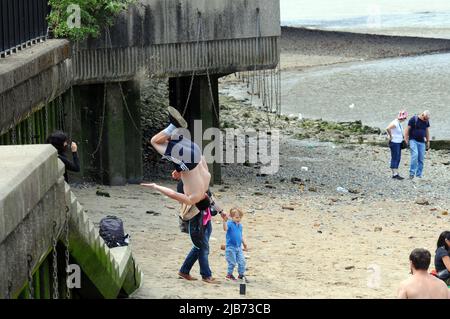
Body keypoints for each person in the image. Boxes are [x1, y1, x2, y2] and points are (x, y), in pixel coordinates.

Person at [141, 106, 211, 206]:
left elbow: (201, 159)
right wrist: (155, 186)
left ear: (206, 196)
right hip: (188, 161)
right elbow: (172, 194)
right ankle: (174, 125)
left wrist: (180, 169)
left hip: (196, 150)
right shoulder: (193, 199)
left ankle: (175, 128)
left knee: (165, 140)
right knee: (154, 142)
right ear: (197, 204)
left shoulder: (208, 179)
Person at [222, 208, 248, 281]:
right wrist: (224, 221)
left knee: (242, 261)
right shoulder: (230, 223)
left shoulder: (240, 226)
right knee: (232, 262)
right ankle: (229, 275)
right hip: (230, 247)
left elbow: (240, 235)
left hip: (238, 247)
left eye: (240, 217)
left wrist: (244, 243)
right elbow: (225, 229)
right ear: (231, 217)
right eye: (236, 217)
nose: (238, 219)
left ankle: (241, 274)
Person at [404, 110, 431, 179]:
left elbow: (427, 131)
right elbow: (407, 129)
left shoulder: (426, 121)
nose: (426, 120)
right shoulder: (414, 119)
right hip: (413, 140)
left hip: (422, 142)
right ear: (422, 115)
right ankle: (412, 173)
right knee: (415, 155)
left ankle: (418, 175)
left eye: (427, 119)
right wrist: (406, 139)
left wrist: (428, 141)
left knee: (421, 159)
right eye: (425, 118)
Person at [385, 110, 408, 180]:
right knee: (395, 157)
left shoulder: (398, 123)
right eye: (405, 117)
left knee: (398, 157)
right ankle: (394, 174)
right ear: (403, 118)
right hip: (394, 142)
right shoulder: (395, 123)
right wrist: (390, 136)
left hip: (398, 142)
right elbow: (387, 128)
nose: (405, 119)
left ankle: (396, 173)